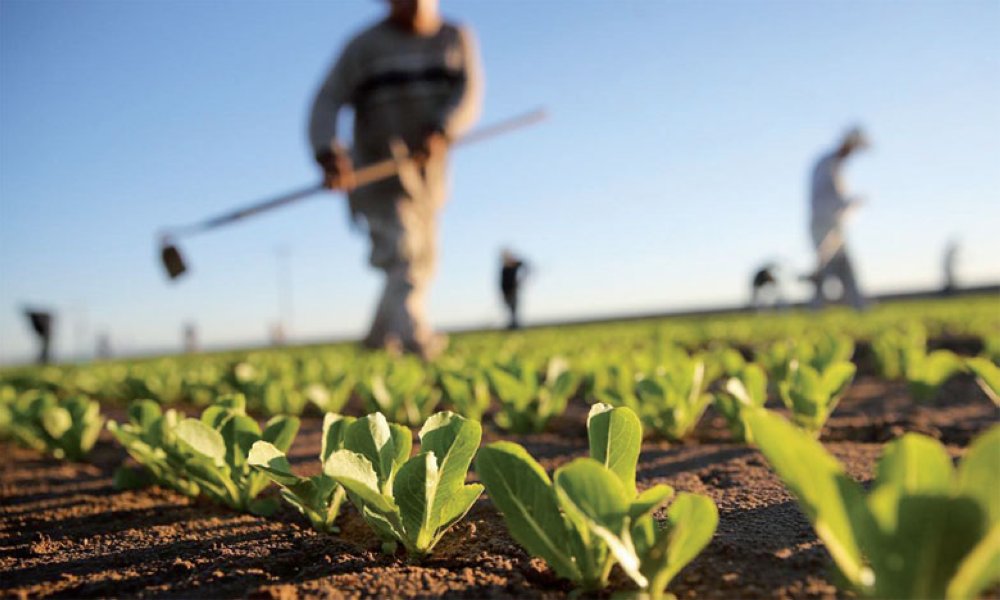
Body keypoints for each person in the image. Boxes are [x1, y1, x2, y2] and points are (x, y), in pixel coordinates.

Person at [308, 0, 483, 359]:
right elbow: (326, 100)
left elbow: (468, 94)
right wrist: (328, 151)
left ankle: (375, 342)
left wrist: (442, 129)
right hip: (377, 173)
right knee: (404, 254)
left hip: (428, 178)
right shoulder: (364, 46)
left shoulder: (455, 38)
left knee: (423, 260)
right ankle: (416, 340)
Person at [807, 127, 869, 310]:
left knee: (845, 267)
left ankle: (859, 307)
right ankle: (816, 309)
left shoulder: (835, 165)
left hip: (834, 225)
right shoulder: (827, 164)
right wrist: (851, 202)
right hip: (823, 225)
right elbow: (827, 197)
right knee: (826, 268)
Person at [500, 249, 529, 329]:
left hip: (513, 291)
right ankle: (512, 324)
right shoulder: (504, 268)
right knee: (509, 309)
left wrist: (521, 280)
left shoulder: (514, 264)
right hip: (506, 292)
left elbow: (526, 266)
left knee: (514, 309)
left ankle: (515, 326)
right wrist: (503, 293)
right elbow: (502, 283)